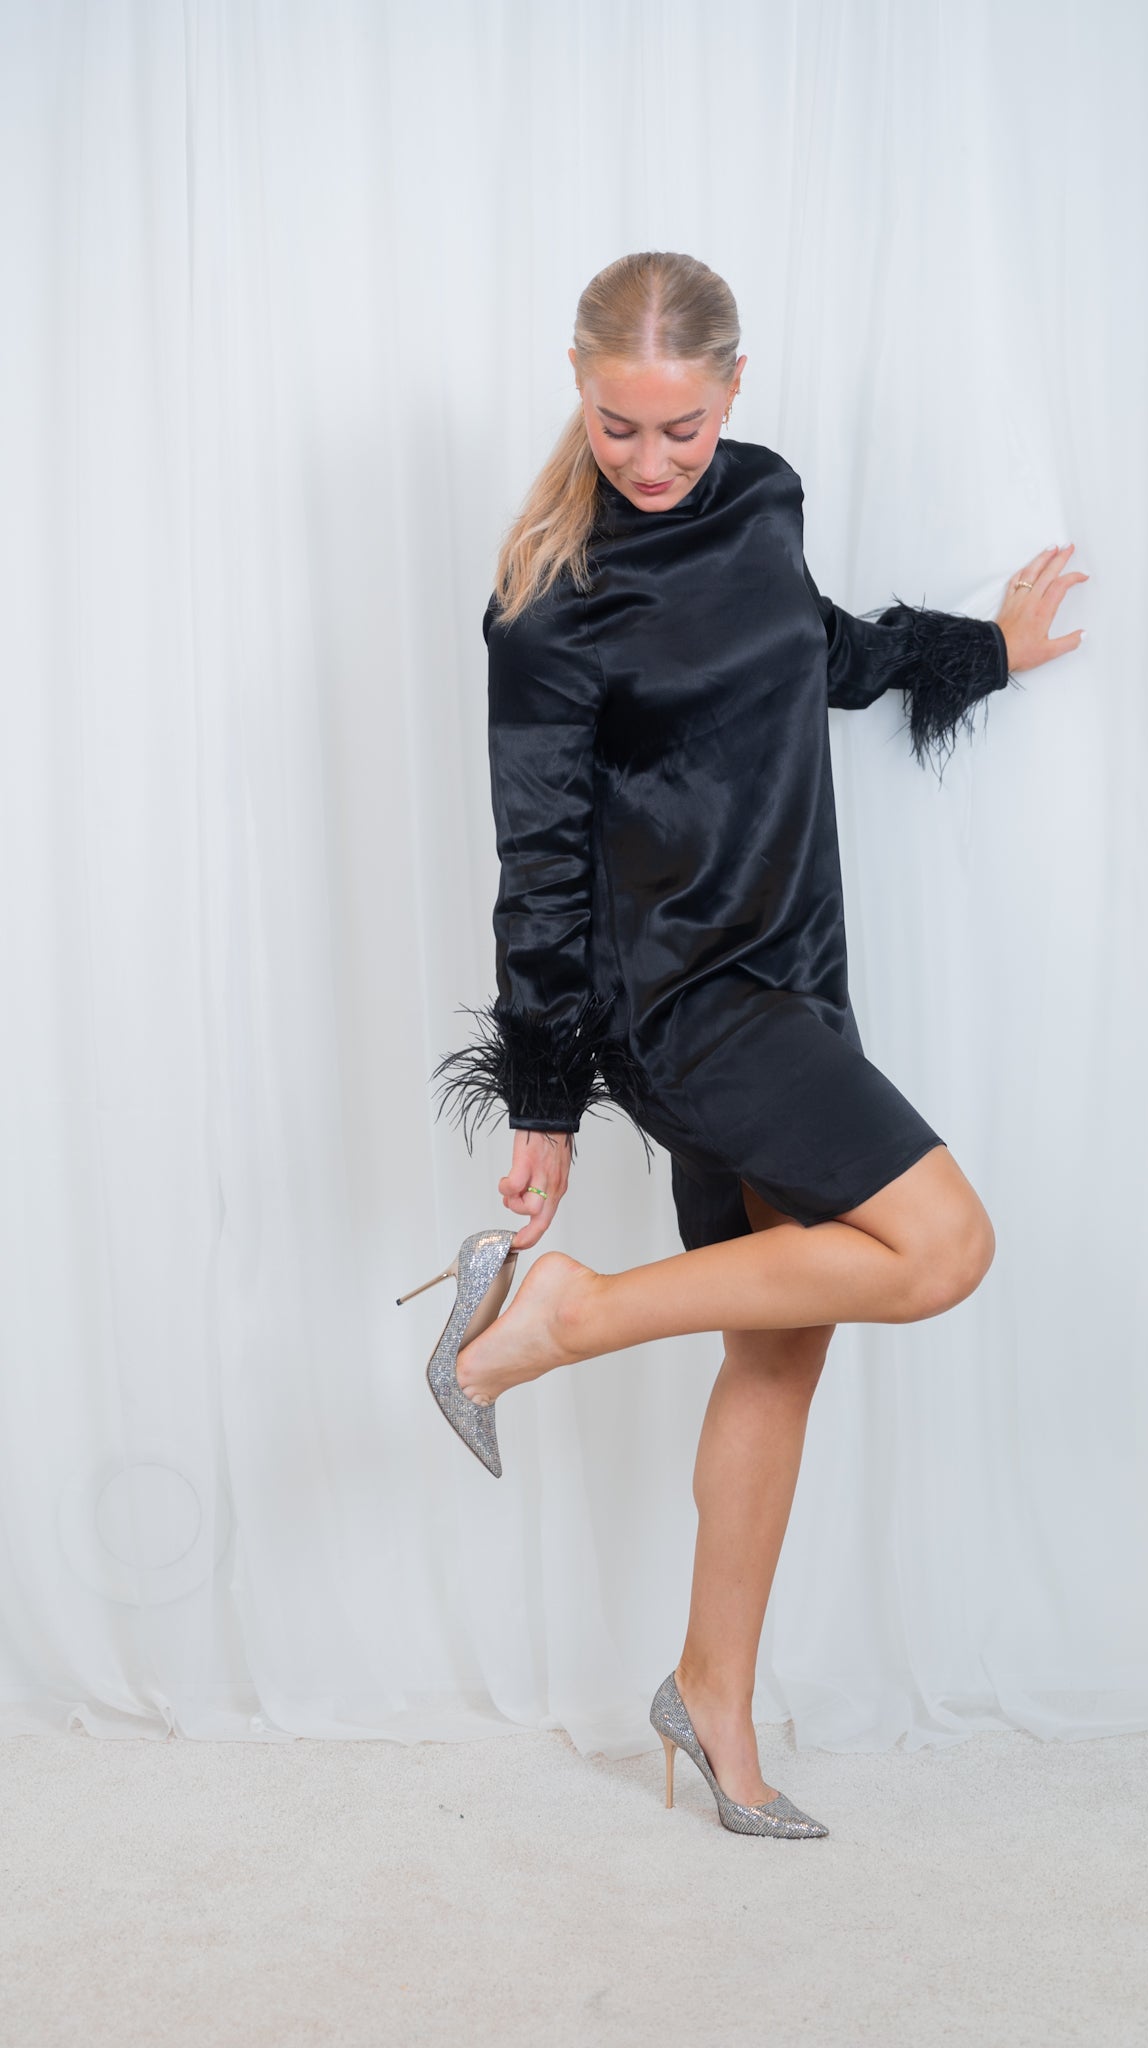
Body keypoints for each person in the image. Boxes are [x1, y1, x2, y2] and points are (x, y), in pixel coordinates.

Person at [429, 251, 1086, 1836]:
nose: (651, 462)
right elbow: (538, 863)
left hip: (794, 971)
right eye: (618, 428)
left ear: (734, 390)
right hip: (682, 1005)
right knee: (941, 1249)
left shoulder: (763, 499)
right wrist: (543, 1101)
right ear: (576, 390)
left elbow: (818, 649)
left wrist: (981, 653)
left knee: (782, 1344)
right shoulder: (545, 606)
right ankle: (561, 1315)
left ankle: (708, 1694)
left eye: (682, 428)